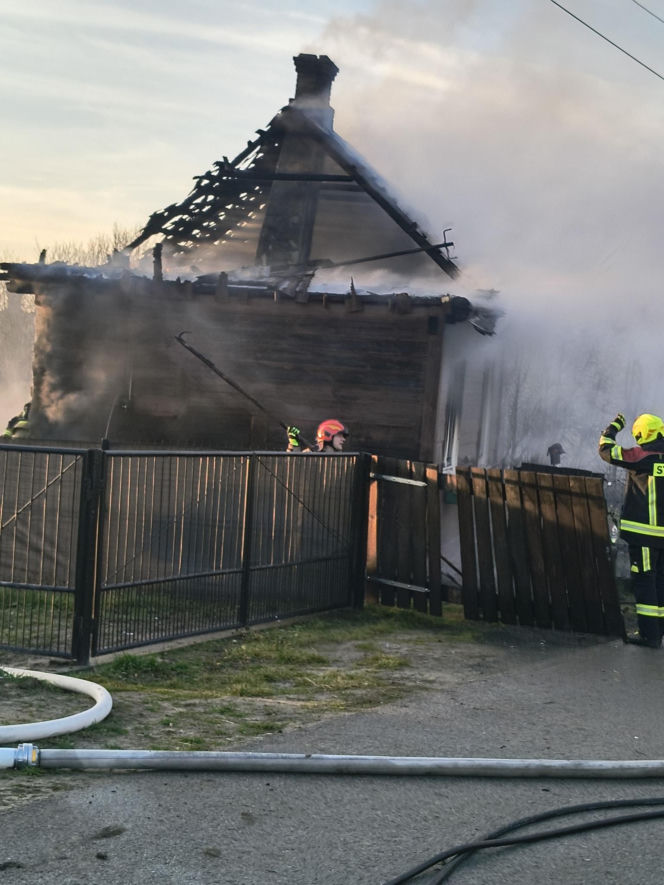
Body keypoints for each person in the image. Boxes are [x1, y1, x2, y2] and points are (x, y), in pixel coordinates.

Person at [599, 412, 664, 648]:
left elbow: (606, 450)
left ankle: (650, 635)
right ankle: (658, 632)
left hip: (646, 535)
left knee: (646, 582)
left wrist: (614, 426)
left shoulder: (641, 455)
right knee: (660, 582)